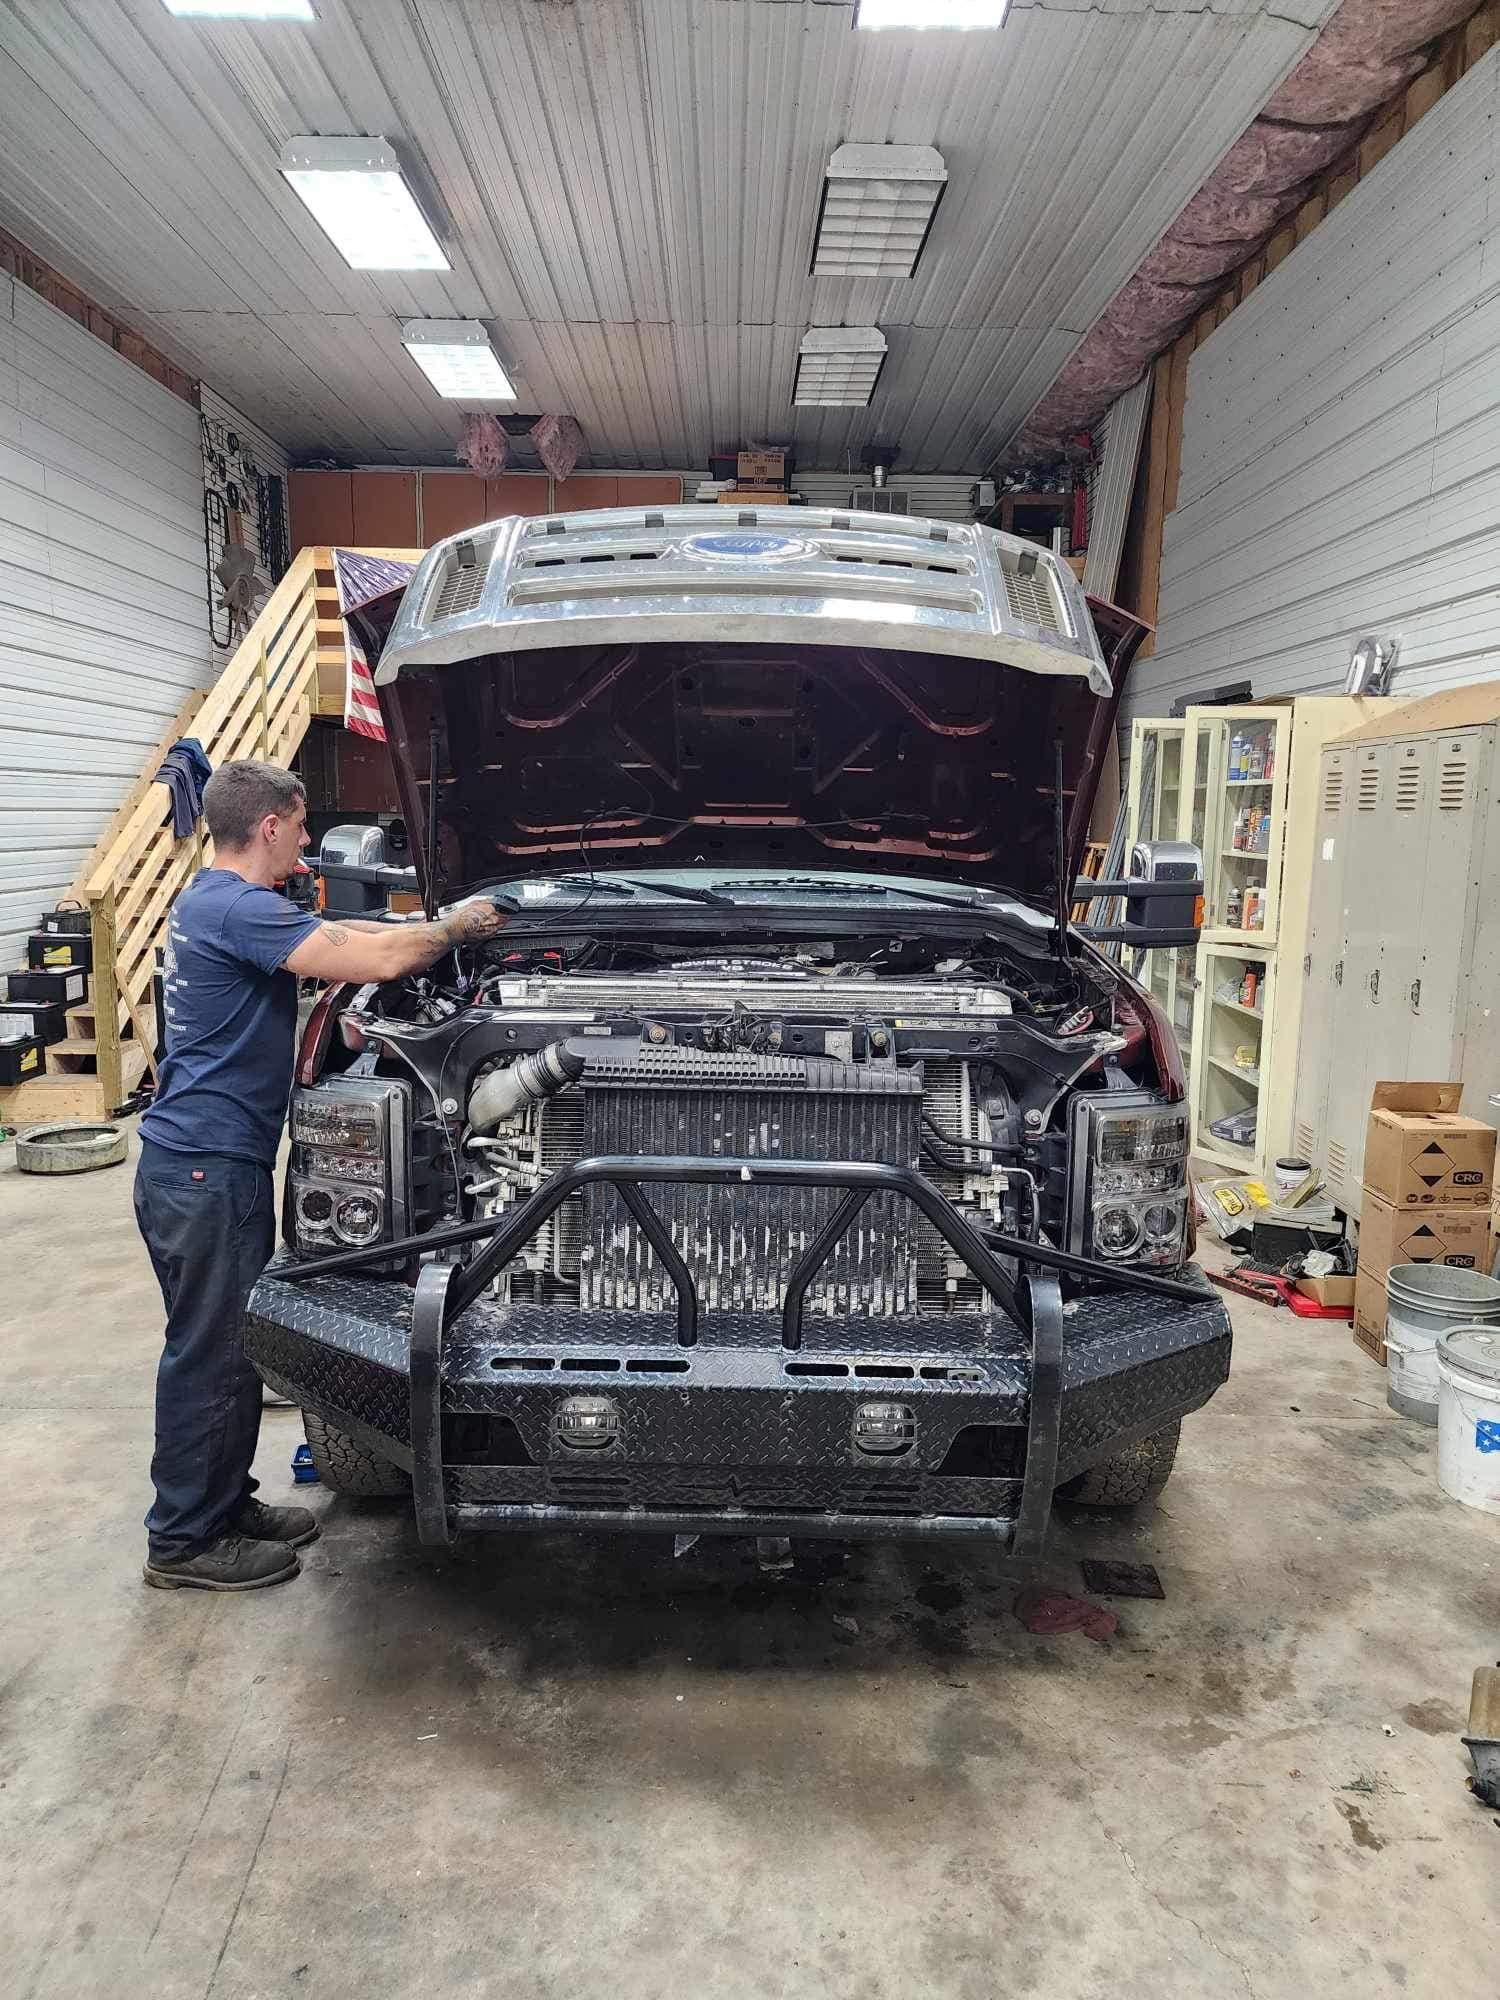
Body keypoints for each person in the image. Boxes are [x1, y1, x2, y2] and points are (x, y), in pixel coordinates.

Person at [135, 759, 509, 1591]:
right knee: (210, 1353)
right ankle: (184, 1541)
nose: (307, 842)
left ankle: (224, 1504)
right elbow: (369, 961)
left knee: (230, 1349)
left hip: (194, 1162)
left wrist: (430, 928)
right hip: (205, 1169)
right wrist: (456, 928)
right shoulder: (240, 906)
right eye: (302, 827)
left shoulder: (212, 901)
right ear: (270, 826)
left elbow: (356, 947)